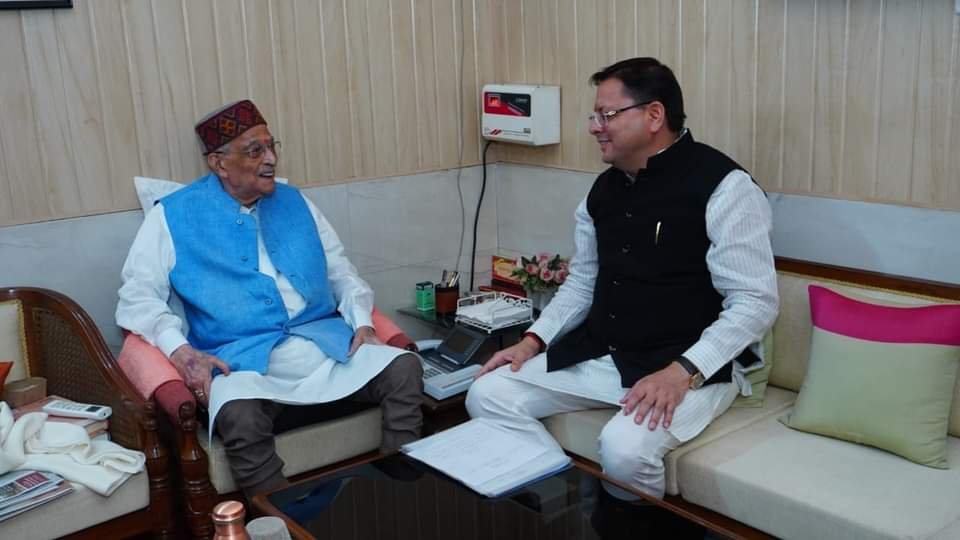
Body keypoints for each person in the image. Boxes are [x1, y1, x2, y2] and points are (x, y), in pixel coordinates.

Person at [466, 58, 779, 502]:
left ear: (654, 115)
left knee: (624, 448)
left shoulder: (725, 187)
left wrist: (682, 371)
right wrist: (532, 341)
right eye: (594, 115)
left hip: (689, 365)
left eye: (606, 115)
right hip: (607, 352)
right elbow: (582, 283)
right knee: (486, 394)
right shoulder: (603, 191)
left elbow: (755, 302)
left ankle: (636, 525)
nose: (594, 127)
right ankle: (564, 496)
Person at [116, 100, 423, 496]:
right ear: (219, 163)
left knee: (404, 368)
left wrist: (363, 323)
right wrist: (182, 353)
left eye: (271, 146)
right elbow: (137, 299)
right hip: (243, 365)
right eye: (254, 150)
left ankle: (402, 486)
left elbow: (341, 273)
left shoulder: (297, 202)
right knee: (238, 414)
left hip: (326, 350)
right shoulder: (172, 216)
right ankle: (280, 515)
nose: (271, 159)